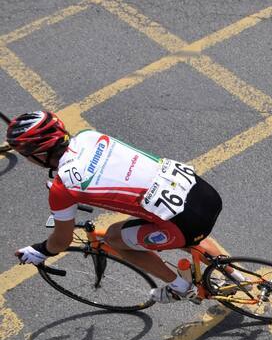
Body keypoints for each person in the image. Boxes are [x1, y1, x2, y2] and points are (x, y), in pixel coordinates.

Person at [7, 111, 236, 303]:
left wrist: (40, 250)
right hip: (203, 193)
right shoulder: (89, 137)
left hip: (184, 222)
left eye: (26, 155)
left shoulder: (63, 187)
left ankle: (180, 286)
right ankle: (237, 277)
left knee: (114, 238)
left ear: (38, 154)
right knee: (180, 229)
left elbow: (61, 242)